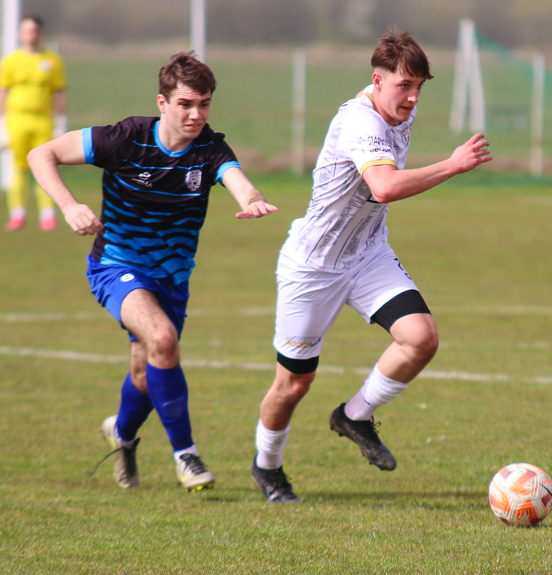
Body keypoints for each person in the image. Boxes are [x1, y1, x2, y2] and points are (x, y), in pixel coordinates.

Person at [251, 29, 492, 503]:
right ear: (376, 80)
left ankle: (355, 415)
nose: (413, 97)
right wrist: (452, 165)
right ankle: (267, 464)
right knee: (294, 383)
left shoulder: (402, 105)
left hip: (367, 254)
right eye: (404, 86)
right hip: (314, 266)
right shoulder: (360, 123)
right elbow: (383, 187)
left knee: (421, 338)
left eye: (420, 86)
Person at [28, 51, 278, 492]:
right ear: (162, 103)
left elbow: (237, 179)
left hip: (172, 280)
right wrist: (69, 206)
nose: (196, 114)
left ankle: (121, 436)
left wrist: (251, 199)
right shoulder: (125, 138)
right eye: (185, 104)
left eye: (203, 104)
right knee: (163, 339)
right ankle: (187, 455)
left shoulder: (210, 150)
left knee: (147, 373)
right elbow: (40, 154)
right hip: (116, 266)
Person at [0, 14, 67, 231]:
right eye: (26, 31)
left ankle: (47, 215)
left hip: (43, 120)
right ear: (20, 34)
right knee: (18, 167)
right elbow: (1, 94)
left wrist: (61, 122)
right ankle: (17, 214)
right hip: (17, 120)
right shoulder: (10, 61)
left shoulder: (52, 60)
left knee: (46, 167)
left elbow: (59, 92)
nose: (30, 35)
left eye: (34, 31)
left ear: (40, 33)